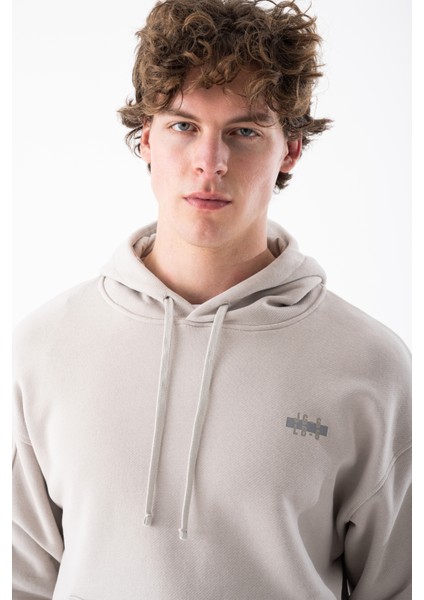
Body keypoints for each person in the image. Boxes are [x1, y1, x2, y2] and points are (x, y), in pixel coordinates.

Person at [12, 0, 411, 598]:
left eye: (244, 132)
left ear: (291, 149)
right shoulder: (45, 347)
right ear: (146, 137)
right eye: (183, 126)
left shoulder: (369, 364)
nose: (210, 163)